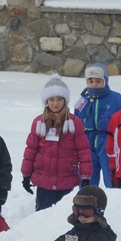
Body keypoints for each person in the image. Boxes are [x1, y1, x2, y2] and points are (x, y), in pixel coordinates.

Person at [21, 75, 93, 212]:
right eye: (52, 99)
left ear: (65, 100)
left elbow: (83, 151)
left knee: (63, 217)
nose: (55, 103)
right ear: (46, 101)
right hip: (44, 179)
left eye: (59, 99)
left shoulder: (74, 123)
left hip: (66, 178)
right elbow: (31, 150)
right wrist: (26, 174)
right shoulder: (39, 123)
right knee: (43, 215)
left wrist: (85, 176)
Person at [74, 62, 121, 187]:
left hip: (108, 145)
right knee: (87, 179)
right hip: (88, 145)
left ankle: (114, 203)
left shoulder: (115, 99)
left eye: (98, 81)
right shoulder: (83, 100)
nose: (94, 85)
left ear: (105, 81)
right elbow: (76, 122)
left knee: (111, 180)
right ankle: (86, 204)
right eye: (91, 81)